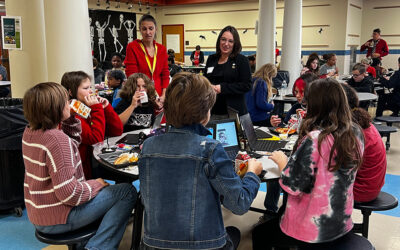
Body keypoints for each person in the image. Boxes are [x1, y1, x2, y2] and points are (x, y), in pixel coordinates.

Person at [139, 72, 263, 250]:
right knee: (234, 231)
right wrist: (252, 173)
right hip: (204, 245)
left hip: (152, 244)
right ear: (205, 113)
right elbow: (239, 204)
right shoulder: (210, 149)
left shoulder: (148, 147)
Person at [22, 82, 137, 250]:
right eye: (66, 102)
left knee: (107, 192)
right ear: (56, 108)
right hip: (59, 217)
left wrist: (69, 118)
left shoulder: (30, 133)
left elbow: (71, 146)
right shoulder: (57, 140)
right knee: (126, 191)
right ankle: (97, 247)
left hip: (39, 214)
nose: (70, 103)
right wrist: (97, 183)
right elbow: (70, 194)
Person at [253, 78, 364, 249]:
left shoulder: (315, 139)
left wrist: (283, 163)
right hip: (341, 221)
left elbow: (293, 186)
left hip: (312, 229)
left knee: (260, 234)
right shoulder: (355, 132)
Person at [61, 71, 123, 178]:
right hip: (82, 172)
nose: (91, 91)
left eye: (90, 87)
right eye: (85, 88)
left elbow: (117, 130)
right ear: (70, 92)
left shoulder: (84, 107)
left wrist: (106, 108)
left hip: (93, 162)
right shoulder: (71, 112)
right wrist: (97, 109)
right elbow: (95, 138)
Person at [342, 84, 386, 202]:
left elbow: (335, 165)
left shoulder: (351, 130)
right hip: (372, 185)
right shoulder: (359, 119)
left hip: (361, 190)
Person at [205, 25, 252, 117]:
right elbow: (206, 79)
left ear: (235, 43)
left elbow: (247, 85)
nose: (226, 44)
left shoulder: (241, 60)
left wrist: (222, 88)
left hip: (234, 112)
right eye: (223, 39)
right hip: (212, 111)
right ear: (219, 40)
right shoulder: (211, 59)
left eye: (230, 41)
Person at [124, 14, 169, 102]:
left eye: (151, 28)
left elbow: (165, 74)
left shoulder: (161, 49)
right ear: (140, 30)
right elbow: (132, 76)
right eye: (144, 29)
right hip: (141, 94)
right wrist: (149, 97)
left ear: (156, 29)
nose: (148, 32)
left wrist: (164, 95)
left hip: (160, 95)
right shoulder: (133, 47)